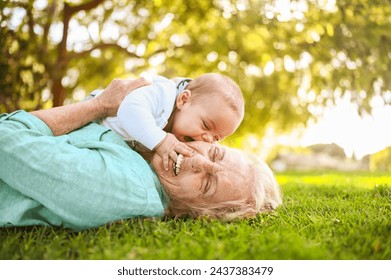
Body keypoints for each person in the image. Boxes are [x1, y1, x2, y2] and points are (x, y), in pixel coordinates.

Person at [0, 78, 282, 231]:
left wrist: (98, 106)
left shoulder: (128, 188)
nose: (197, 159)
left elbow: (4, 138)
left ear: (200, 215)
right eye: (215, 154)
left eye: (207, 183)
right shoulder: (144, 145)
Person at [91, 73, 245, 170]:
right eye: (206, 125)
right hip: (94, 121)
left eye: (216, 138)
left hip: (109, 143)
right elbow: (129, 108)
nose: (208, 138)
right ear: (184, 100)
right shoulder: (163, 94)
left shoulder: (182, 129)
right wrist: (161, 141)